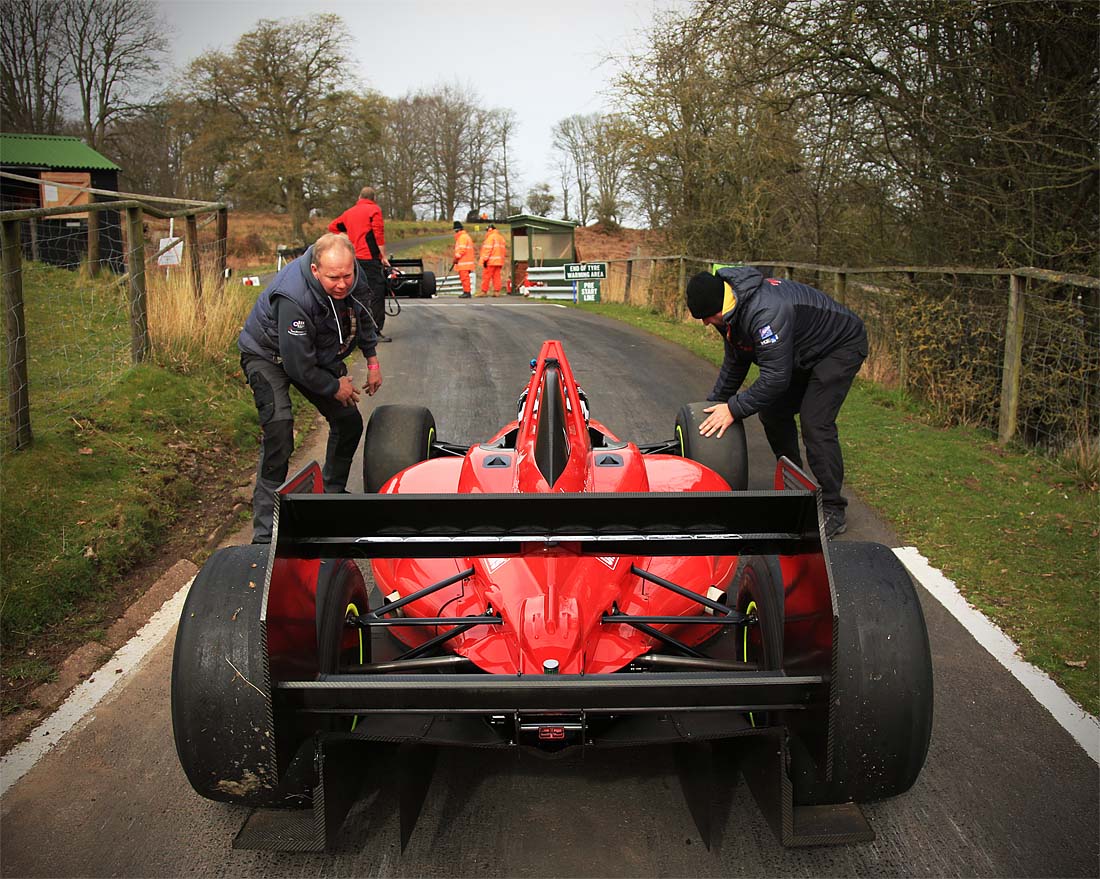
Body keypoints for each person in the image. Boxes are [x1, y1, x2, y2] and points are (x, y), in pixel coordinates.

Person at [685, 266, 867, 538]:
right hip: (801, 351)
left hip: (839, 346)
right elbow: (736, 360)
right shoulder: (730, 312)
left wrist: (733, 409)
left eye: (708, 317)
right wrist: (712, 405)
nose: (706, 323)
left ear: (719, 305)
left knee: (815, 422)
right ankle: (796, 488)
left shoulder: (765, 312)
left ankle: (833, 508)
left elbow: (776, 379)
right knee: (772, 413)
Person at [238, 233, 383, 543]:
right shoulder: (293, 296)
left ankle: (329, 497)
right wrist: (334, 386)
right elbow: (297, 366)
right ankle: (265, 533)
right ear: (316, 270)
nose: (343, 284)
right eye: (334, 278)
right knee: (279, 429)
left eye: (348, 275)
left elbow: (364, 316)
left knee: (348, 421)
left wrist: (372, 360)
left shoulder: (350, 276)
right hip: (269, 356)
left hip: (312, 352)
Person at [328, 186, 391, 341]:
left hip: (353, 259)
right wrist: (383, 256)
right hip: (369, 259)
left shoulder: (349, 212)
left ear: (359, 197)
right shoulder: (374, 210)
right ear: (373, 198)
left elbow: (333, 227)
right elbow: (378, 233)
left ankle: (354, 331)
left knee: (356, 293)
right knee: (376, 293)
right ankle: (375, 331)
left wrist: (346, 239)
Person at [478, 223, 508, 297]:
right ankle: (497, 292)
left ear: (489, 229)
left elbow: (487, 250)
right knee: (496, 277)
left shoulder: (490, 238)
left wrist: (484, 260)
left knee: (486, 277)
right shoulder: (501, 238)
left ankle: (484, 291)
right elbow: (503, 251)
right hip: (499, 261)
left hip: (490, 261)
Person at [451, 221, 475, 298]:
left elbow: (462, 250)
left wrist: (456, 258)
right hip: (466, 262)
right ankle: (466, 291)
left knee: (465, 278)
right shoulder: (465, 236)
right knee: (465, 278)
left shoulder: (462, 238)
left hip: (463, 262)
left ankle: (467, 292)